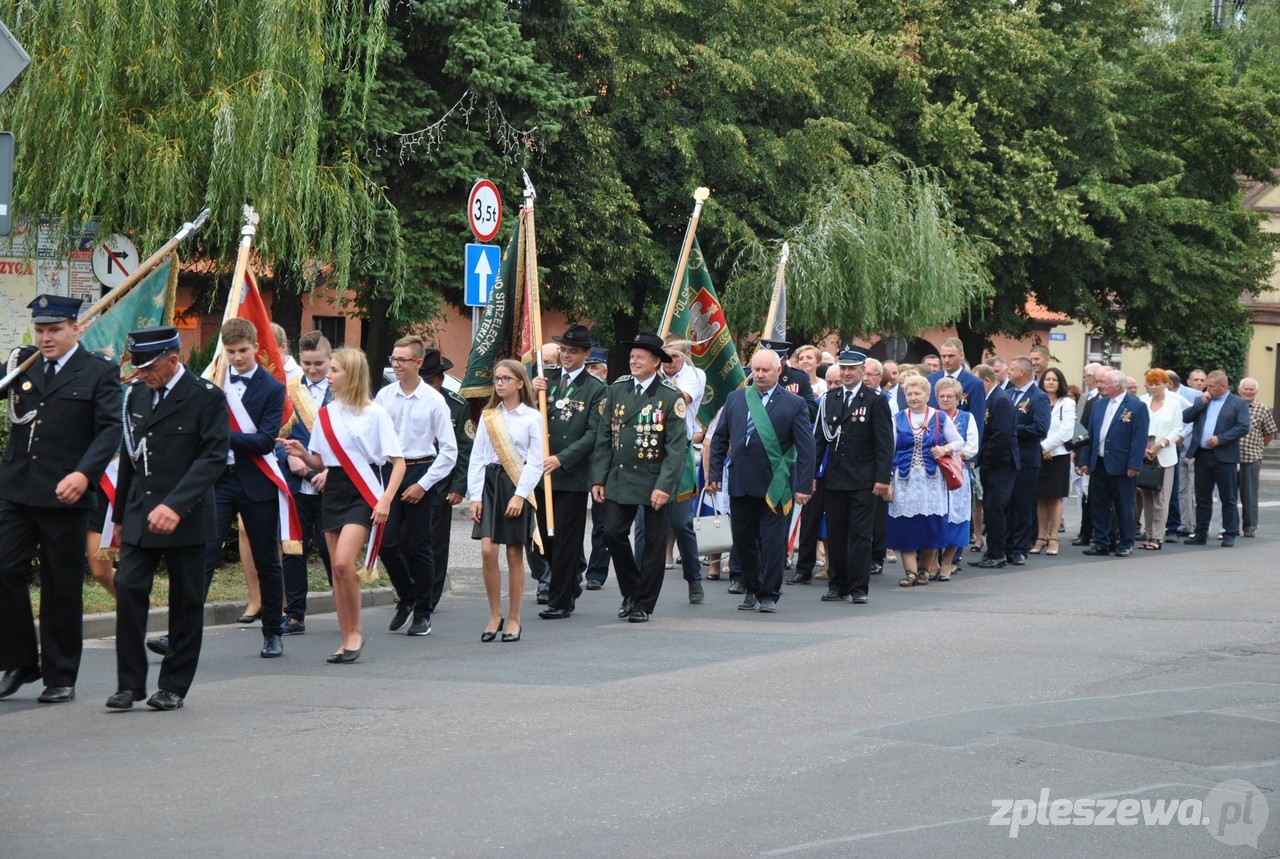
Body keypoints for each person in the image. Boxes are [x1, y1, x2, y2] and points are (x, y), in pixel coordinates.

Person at [0, 295, 122, 704]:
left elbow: (109, 431)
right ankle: (19, 660)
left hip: (65, 493)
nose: (46, 338)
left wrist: (83, 474)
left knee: (61, 583)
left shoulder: (99, 371)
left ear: (76, 328)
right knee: (3, 567)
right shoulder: (25, 361)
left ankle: (60, 674)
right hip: (17, 487)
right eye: (40, 330)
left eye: (55, 330)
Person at [147, 317, 288, 660]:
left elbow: (266, 440)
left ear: (256, 347)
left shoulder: (272, 388)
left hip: (256, 481)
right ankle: (179, 634)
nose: (237, 358)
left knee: (266, 560)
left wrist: (219, 436)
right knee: (202, 557)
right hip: (219, 481)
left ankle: (272, 631)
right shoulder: (212, 382)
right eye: (231, 351)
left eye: (243, 351)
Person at [107, 326, 228, 710]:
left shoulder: (206, 398)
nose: (141, 374)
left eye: (148, 367)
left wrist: (175, 505)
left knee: (187, 601)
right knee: (128, 591)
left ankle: (173, 685)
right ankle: (129, 684)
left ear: (173, 360)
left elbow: (211, 459)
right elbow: (130, 454)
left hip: (187, 516)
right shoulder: (137, 395)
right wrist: (121, 515)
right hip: (141, 512)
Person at [280, 348, 406, 663]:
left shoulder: (375, 413)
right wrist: (301, 452)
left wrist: (386, 500)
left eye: (334, 370)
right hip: (333, 490)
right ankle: (346, 636)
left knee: (342, 563)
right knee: (338, 572)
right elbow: (320, 460)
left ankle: (356, 632)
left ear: (351, 374)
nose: (328, 375)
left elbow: (398, 462)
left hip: (363, 492)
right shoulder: (326, 414)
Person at [590, 333, 689, 623]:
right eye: (632, 356)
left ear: (656, 362)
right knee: (612, 532)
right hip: (620, 477)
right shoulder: (618, 389)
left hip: (654, 479)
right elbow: (605, 437)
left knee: (653, 546)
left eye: (640, 357)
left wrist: (664, 486)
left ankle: (644, 604)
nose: (633, 360)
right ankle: (632, 589)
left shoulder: (670, 397)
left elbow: (675, 448)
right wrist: (599, 478)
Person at [707, 349, 814, 612]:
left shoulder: (794, 403)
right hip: (741, 482)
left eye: (766, 370)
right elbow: (720, 438)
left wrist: (802, 485)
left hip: (775, 484)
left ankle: (768, 593)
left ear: (779, 371)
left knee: (773, 541)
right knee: (743, 539)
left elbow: (806, 447)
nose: (760, 375)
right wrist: (714, 475)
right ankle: (751, 586)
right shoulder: (736, 399)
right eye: (756, 370)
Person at [375, 335, 458, 638]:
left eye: (402, 360)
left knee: (419, 545)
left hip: (420, 470)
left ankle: (423, 611)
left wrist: (423, 485)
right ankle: (407, 594)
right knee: (386, 542)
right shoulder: (384, 396)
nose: (396, 365)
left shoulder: (434, 400)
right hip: (389, 472)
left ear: (418, 363)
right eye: (393, 359)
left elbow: (449, 451)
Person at [530, 324, 607, 620]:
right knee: (546, 538)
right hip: (540, 471)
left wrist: (562, 459)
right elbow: (524, 417)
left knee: (564, 539)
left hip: (570, 475)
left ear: (586, 354)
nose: (565, 356)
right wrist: (529, 393)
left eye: (572, 352)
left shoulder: (596, 389)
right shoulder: (544, 380)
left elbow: (592, 434)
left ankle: (561, 600)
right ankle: (569, 578)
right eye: (562, 350)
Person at [467, 359, 543, 642]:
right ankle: (494, 613)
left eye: (506, 379)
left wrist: (521, 495)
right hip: (490, 484)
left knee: (513, 553)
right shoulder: (489, 416)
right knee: (488, 551)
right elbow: (477, 458)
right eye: (497, 378)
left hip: (516, 483)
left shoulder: (532, 417)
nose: (500, 383)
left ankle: (514, 617)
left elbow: (535, 462)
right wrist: (475, 496)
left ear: (520, 384)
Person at [811, 349, 893, 604]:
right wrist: (811, 474)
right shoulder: (830, 399)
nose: (847, 373)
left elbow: (884, 443)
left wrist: (883, 478)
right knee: (836, 533)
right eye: (843, 369)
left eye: (852, 369)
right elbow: (819, 441)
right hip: (835, 478)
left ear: (861, 372)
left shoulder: (875, 400)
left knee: (859, 534)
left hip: (863, 479)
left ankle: (858, 587)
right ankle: (837, 585)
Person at [277, 330, 334, 635]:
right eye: (307, 363)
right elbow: (273, 434)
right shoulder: (288, 391)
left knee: (332, 551)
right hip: (295, 484)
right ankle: (294, 614)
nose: (313, 370)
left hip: (330, 483)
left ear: (329, 360)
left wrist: (331, 471)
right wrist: (288, 458)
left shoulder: (342, 391)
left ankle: (345, 604)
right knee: (293, 549)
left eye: (319, 364)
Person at [885, 374, 963, 586]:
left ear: (927, 395)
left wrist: (944, 448)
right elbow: (888, 450)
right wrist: (888, 480)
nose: (913, 397)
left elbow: (958, 441)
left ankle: (924, 571)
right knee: (905, 526)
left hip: (932, 481)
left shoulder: (939, 417)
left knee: (931, 526)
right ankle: (910, 572)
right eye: (909, 393)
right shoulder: (898, 418)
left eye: (917, 393)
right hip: (904, 480)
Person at [1077, 369, 1150, 557]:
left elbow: (1139, 438)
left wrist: (1134, 465)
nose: (1100, 386)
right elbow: (1090, 435)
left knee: (1124, 505)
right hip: (1099, 462)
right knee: (1099, 504)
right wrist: (1084, 460)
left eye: (1104, 383)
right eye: (1099, 382)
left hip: (1123, 464)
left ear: (1117, 386)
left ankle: (1126, 542)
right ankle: (1102, 542)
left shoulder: (1136, 406)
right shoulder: (1098, 405)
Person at [422, 349, 473, 610]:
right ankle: (411, 587)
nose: (426, 386)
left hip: (441, 486)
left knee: (436, 543)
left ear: (440, 379)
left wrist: (458, 486)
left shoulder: (456, 405)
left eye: (430, 381)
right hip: (410, 481)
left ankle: (431, 594)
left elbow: (464, 449)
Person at [658, 337, 706, 604]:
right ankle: (638, 586)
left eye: (674, 357)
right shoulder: (653, 373)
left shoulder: (695, 375)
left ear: (687, 356)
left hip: (678, 452)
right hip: (649, 451)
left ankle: (694, 578)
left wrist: (653, 381)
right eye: (664, 356)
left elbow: (678, 400)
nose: (668, 362)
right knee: (643, 525)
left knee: (681, 521)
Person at [1181, 370, 1250, 547]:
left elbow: (1243, 426)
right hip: (1202, 455)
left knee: (1228, 497)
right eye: (1207, 386)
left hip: (1225, 456)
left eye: (1211, 386)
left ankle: (1229, 533)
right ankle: (1201, 533)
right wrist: (1200, 404)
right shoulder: (1203, 400)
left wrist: (1221, 439)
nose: (1208, 389)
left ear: (1223, 387)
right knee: (1202, 497)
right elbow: (1186, 417)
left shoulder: (1238, 403)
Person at [970, 364, 1018, 568]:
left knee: (995, 507)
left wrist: (983, 458)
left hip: (1001, 463)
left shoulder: (1001, 400)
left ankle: (998, 553)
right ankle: (993, 552)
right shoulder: (990, 399)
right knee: (991, 508)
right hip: (993, 463)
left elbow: (1001, 435)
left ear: (987, 380)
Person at [1004, 357, 1050, 564]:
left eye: (1011, 368)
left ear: (1022, 371)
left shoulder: (1038, 397)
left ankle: (1020, 547)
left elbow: (1040, 428)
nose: (1007, 371)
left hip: (1027, 459)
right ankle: (1005, 545)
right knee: (1007, 504)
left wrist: (1012, 431)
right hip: (1006, 459)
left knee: (1023, 504)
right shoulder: (1008, 394)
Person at [934, 377, 979, 580]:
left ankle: (948, 561)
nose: (945, 399)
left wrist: (949, 453)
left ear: (959, 398)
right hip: (934, 475)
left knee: (956, 517)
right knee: (934, 517)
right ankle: (932, 561)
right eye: (941, 396)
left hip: (957, 473)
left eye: (949, 396)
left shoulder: (967, 418)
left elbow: (972, 447)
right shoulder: (932, 417)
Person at [1137, 369, 1184, 550]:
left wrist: (1160, 445)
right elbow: (1138, 426)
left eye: (1158, 384)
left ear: (1166, 384)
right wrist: (1142, 448)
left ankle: (1158, 535)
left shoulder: (1173, 404)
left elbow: (1177, 429)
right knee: (1146, 495)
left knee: (1161, 498)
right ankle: (1149, 534)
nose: (1154, 387)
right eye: (1151, 384)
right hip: (1144, 448)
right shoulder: (1142, 401)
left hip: (1164, 451)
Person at [1033, 367, 1075, 556]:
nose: (1050, 382)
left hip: (1058, 454)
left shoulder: (1067, 403)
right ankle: (1040, 537)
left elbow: (1066, 431)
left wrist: (1046, 447)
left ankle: (1054, 538)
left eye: (1054, 379)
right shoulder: (1037, 400)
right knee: (1040, 497)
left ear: (1060, 383)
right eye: (1047, 379)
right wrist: (1041, 448)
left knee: (1056, 497)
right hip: (1039, 453)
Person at [582, 347, 612, 588]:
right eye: (587, 367)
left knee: (602, 523)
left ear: (605, 371)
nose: (589, 372)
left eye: (594, 367)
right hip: (578, 463)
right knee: (570, 521)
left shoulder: (612, 394)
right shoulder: (579, 391)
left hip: (603, 466)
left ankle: (596, 573)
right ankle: (575, 564)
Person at [1070, 363, 1105, 547]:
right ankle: (1086, 531)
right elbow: (1081, 430)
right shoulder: (1090, 401)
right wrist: (1078, 454)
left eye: (1101, 380)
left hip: (1104, 456)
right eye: (1097, 380)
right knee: (1085, 495)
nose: (1099, 384)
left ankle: (1099, 533)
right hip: (1088, 453)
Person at [926, 337, 986, 442]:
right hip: (931, 443)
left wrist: (971, 455)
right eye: (943, 356)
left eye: (951, 356)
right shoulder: (931, 380)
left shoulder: (974, 384)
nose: (946, 360)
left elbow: (977, 422)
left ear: (962, 355)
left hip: (960, 446)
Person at [1237, 377, 1276, 538]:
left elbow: (1269, 433)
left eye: (1251, 389)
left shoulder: (1262, 409)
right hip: (1230, 458)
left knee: (1250, 496)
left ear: (1256, 392)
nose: (1248, 391)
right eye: (1245, 389)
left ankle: (1249, 527)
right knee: (1229, 495)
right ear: (1240, 390)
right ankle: (1230, 526)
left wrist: (1258, 446)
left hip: (1251, 458)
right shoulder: (1233, 406)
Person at [758, 339, 817, 419]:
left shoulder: (799, 378)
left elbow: (812, 411)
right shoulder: (750, 376)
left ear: (785, 359)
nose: (769, 364)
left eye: (774, 361)